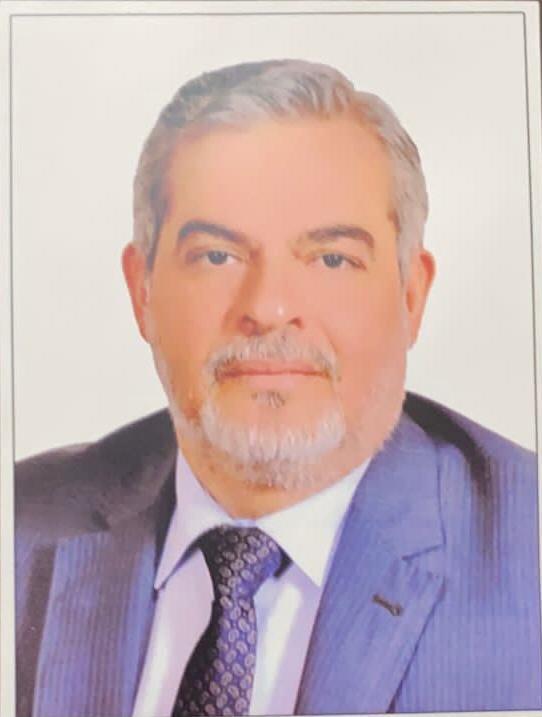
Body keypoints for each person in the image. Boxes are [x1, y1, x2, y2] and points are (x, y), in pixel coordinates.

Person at [15, 59, 541, 717]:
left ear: (411, 296)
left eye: (331, 259)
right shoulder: (21, 525)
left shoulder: (529, 546)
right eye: (217, 256)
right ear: (142, 290)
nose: (268, 307)